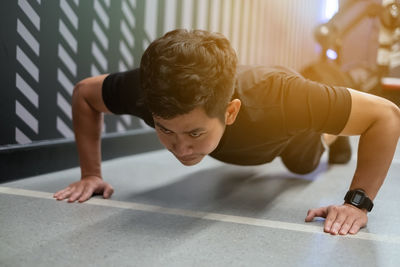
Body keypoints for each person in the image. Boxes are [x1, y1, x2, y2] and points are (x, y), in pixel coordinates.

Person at [54, 29, 400, 236]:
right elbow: (85, 93)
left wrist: (357, 204)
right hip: (245, 134)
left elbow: (385, 116)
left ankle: (329, 135)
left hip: (287, 134)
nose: (179, 147)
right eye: (164, 129)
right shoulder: (146, 90)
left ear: (231, 111)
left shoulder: (280, 96)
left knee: (303, 165)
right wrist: (91, 174)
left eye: (193, 133)